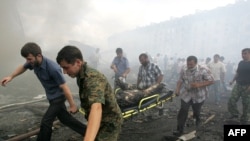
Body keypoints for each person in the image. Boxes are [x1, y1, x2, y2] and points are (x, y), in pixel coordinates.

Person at [0, 42, 86, 141]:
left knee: (46, 122)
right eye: (26, 59)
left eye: (29, 59)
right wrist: (11, 76)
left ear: (39, 56)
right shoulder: (34, 62)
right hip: (51, 97)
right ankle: (88, 132)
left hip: (58, 98)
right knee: (65, 119)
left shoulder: (52, 68)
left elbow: (65, 87)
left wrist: (72, 105)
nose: (28, 61)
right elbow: (23, 67)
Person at [56, 45, 123, 141]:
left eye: (66, 68)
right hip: (99, 121)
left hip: (109, 123)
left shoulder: (92, 78)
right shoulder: (81, 75)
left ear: (78, 62)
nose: (64, 72)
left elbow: (96, 107)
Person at [173, 56, 214, 136]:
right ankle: (180, 129)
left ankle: (197, 119)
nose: (189, 66)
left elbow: (211, 81)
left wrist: (199, 84)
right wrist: (177, 89)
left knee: (196, 111)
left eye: (191, 64)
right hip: (187, 94)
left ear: (196, 63)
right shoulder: (184, 69)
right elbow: (180, 80)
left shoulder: (203, 69)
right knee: (183, 110)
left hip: (199, 95)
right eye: (188, 64)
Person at [227, 48, 250, 125]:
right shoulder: (241, 63)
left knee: (246, 103)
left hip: (247, 86)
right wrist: (232, 80)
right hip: (238, 84)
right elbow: (238, 73)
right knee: (231, 100)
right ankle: (235, 114)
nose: (243, 55)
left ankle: (245, 118)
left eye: (245, 53)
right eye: (242, 53)